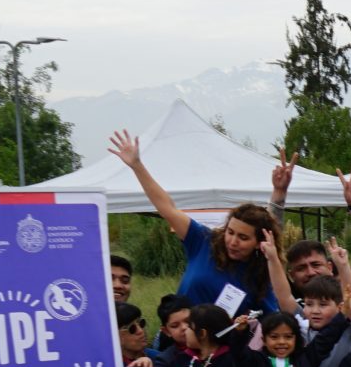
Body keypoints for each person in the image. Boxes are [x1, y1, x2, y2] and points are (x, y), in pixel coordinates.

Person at [108, 129, 288, 313]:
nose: (233, 241)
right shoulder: (204, 241)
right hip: (179, 330)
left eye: (243, 237)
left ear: (258, 243)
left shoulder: (261, 277)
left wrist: (279, 195)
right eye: (230, 232)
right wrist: (137, 165)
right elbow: (167, 208)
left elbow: (275, 318)